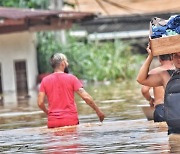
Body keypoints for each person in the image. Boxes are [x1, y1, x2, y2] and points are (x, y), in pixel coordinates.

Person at [37, 53, 105, 128]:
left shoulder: (45, 80)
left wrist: (48, 113)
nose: (67, 64)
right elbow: (86, 97)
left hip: (53, 122)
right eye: (66, 61)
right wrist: (98, 111)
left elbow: (40, 103)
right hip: (70, 121)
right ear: (62, 63)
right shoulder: (71, 78)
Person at [137, 44, 180, 134]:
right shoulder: (165, 75)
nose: (178, 59)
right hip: (174, 129)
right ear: (172, 58)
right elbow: (141, 79)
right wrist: (150, 56)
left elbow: (144, 90)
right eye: (175, 55)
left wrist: (150, 99)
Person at [141, 54, 174, 122]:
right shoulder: (177, 71)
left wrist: (150, 99)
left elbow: (144, 90)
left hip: (161, 109)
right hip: (175, 109)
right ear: (173, 57)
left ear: (159, 59)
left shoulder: (155, 72)